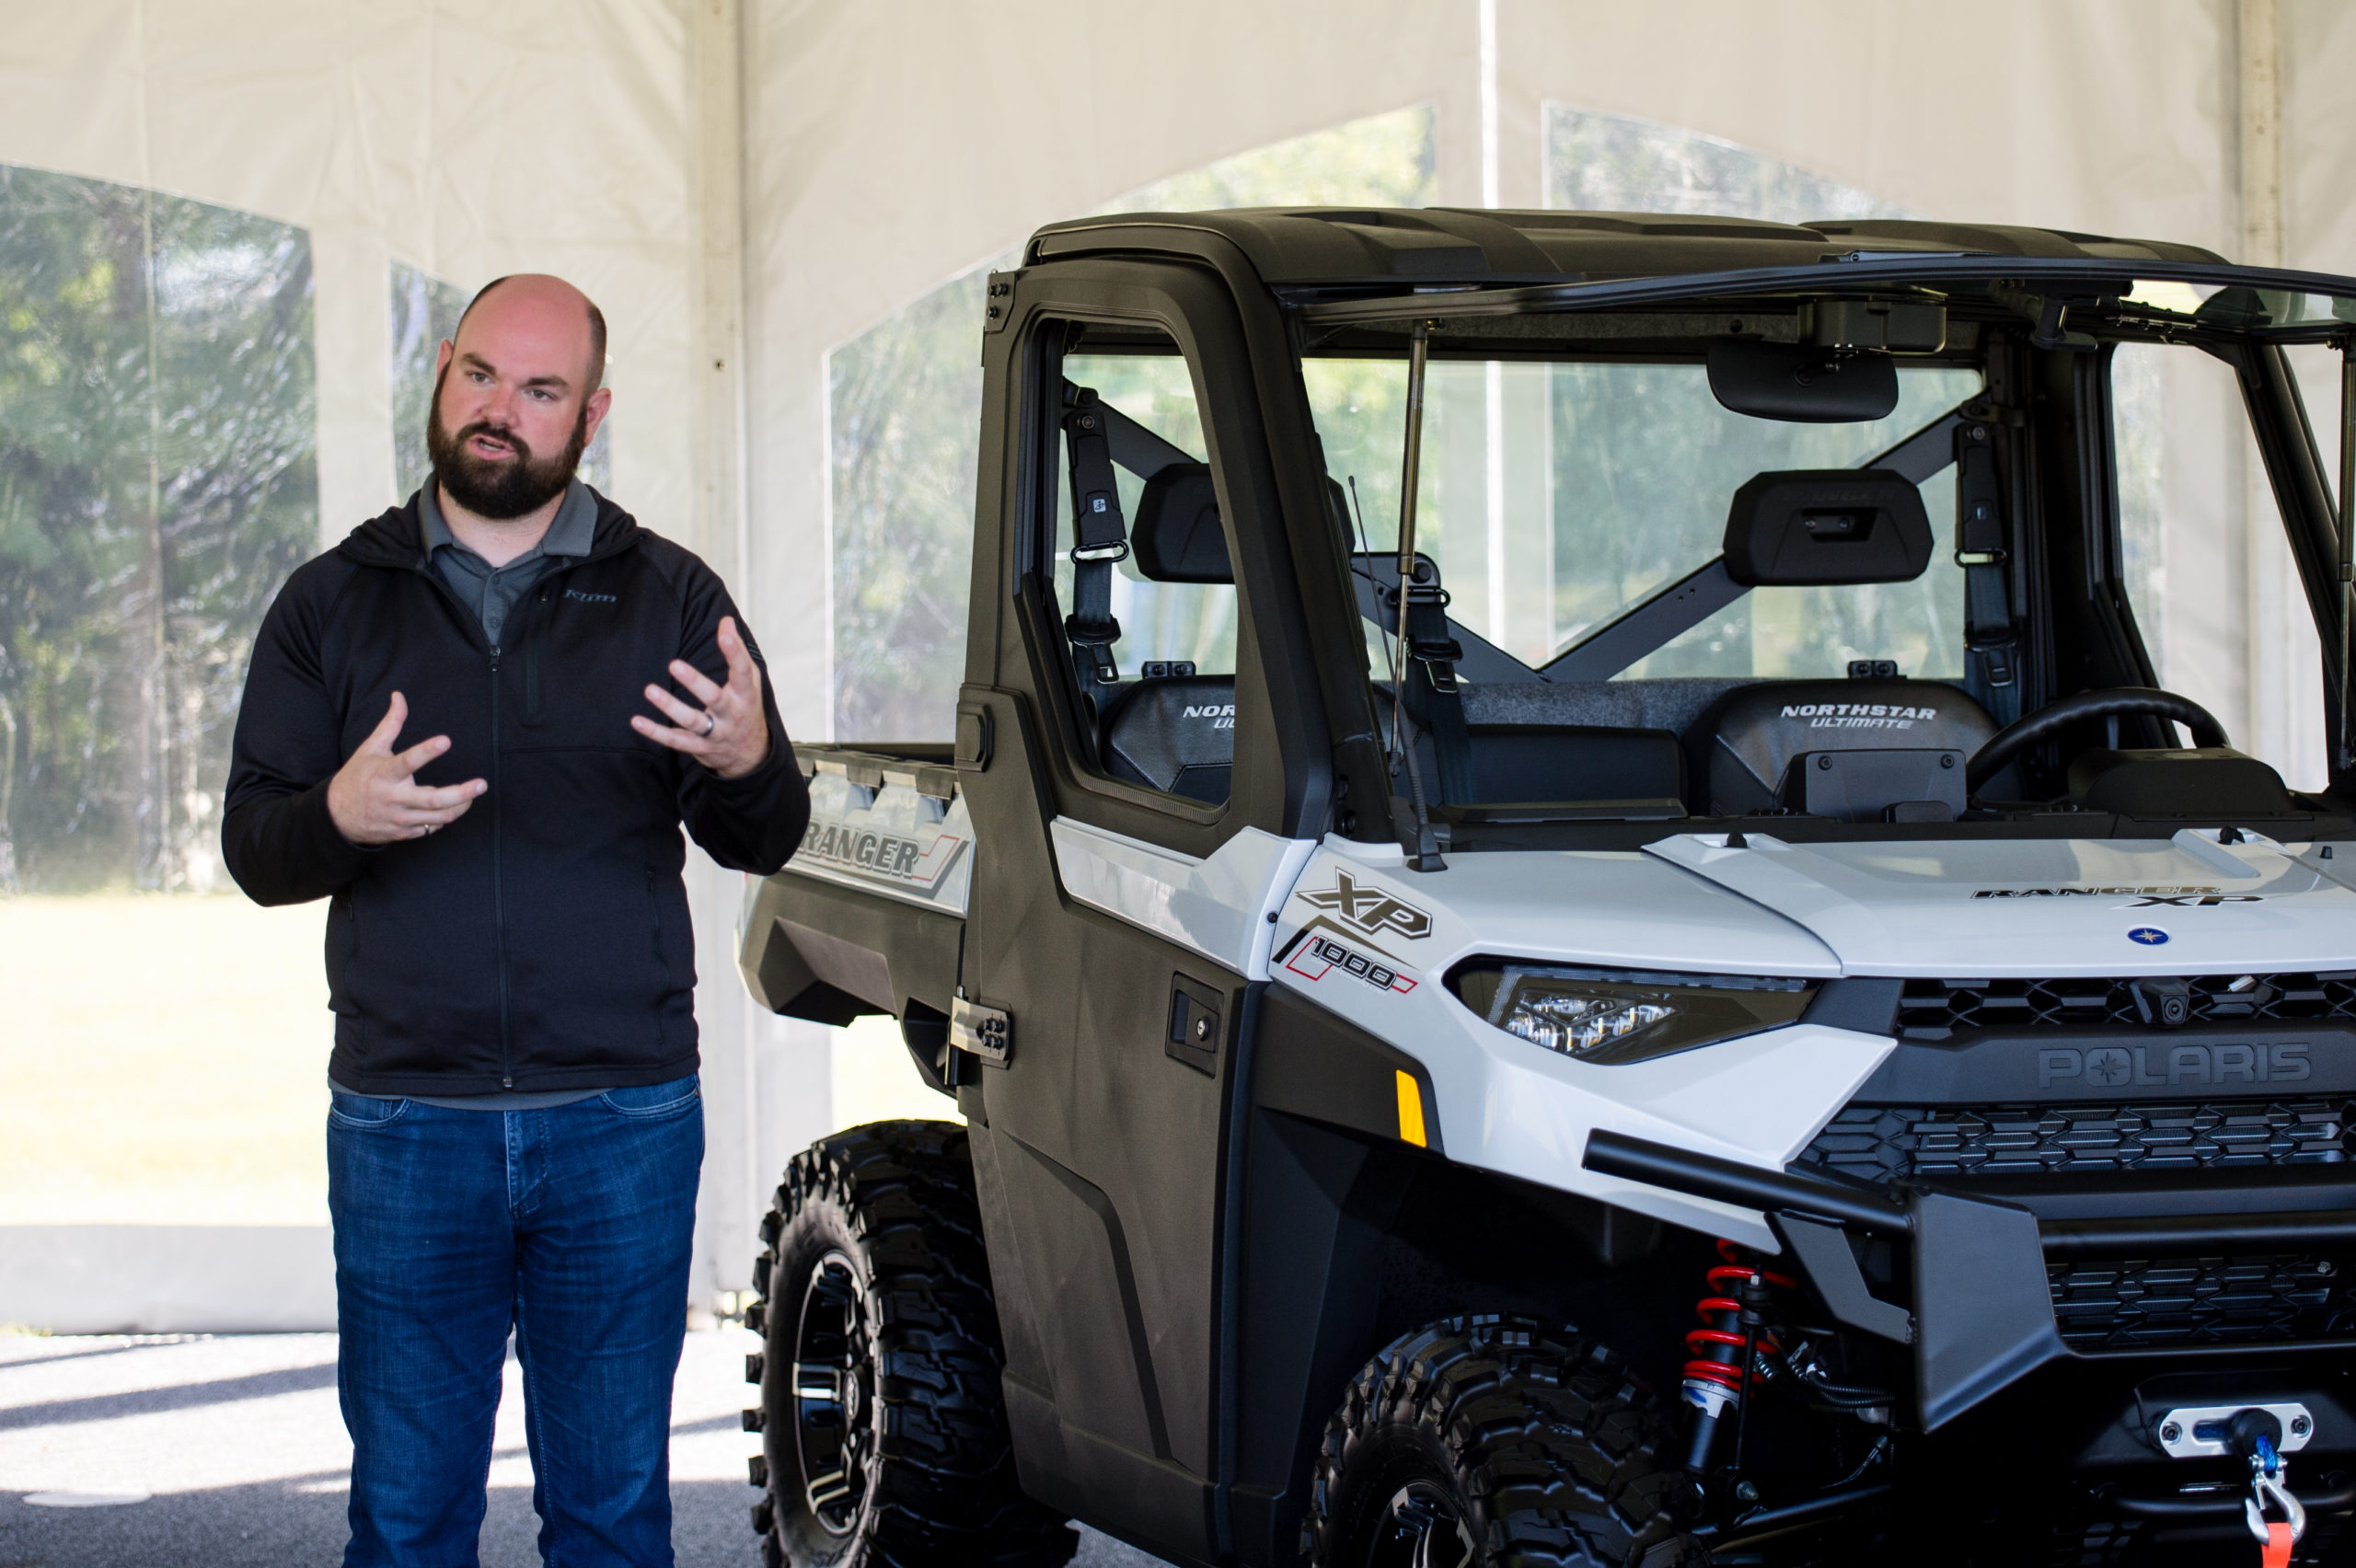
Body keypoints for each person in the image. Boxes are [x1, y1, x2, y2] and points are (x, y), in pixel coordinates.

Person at [221, 273, 810, 1568]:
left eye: (539, 390)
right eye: (481, 375)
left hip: (622, 1124)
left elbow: (765, 838)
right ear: (441, 371)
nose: (500, 411)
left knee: (609, 1520)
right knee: (406, 1519)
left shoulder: (668, 596)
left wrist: (752, 760)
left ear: (589, 414)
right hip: (404, 1124)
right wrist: (336, 814)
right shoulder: (333, 601)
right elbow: (257, 852)